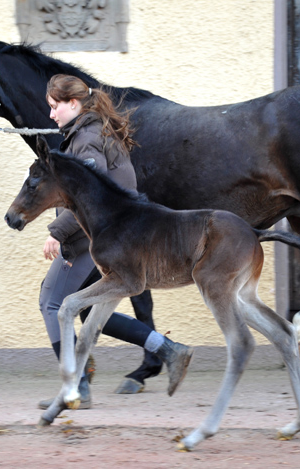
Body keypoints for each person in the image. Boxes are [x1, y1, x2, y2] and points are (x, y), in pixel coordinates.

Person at [37, 74, 193, 410]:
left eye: (54, 107)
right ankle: (168, 350)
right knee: (93, 308)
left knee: (52, 302)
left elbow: (91, 196)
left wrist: (57, 232)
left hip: (90, 239)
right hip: (108, 236)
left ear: (74, 104)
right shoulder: (92, 131)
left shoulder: (87, 139)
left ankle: (75, 386)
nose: (51, 115)